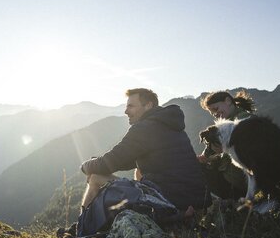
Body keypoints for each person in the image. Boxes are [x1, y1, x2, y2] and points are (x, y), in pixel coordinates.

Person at [80, 88, 211, 213]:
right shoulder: (170, 124)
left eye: (131, 106)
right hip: (196, 198)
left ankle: (81, 232)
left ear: (148, 105)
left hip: (172, 199)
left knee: (95, 178)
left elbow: (111, 162)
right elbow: (128, 160)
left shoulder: (144, 128)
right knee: (139, 170)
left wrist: (86, 167)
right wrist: (97, 163)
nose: (125, 111)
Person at [197, 90, 256, 199]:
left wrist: (219, 152)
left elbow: (247, 156)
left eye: (216, 109)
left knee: (196, 171)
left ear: (228, 101)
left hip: (238, 183)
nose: (215, 114)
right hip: (233, 179)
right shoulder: (226, 125)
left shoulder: (244, 122)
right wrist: (209, 158)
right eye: (213, 113)